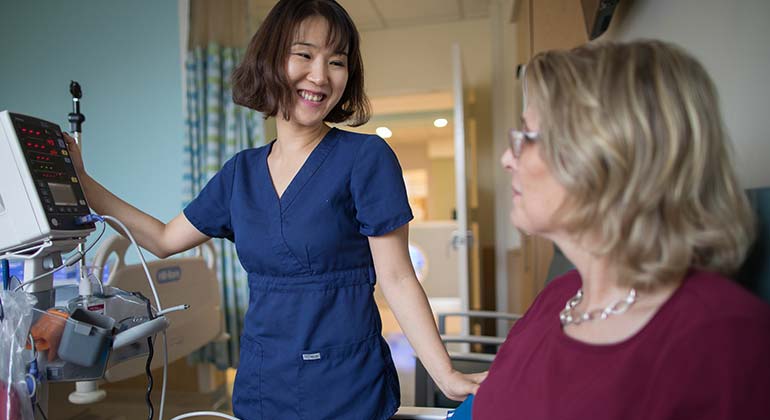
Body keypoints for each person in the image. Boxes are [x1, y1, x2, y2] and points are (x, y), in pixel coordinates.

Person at [64, 1, 485, 419]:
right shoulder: (240, 175)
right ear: (271, 59)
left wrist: (445, 375)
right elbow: (162, 239)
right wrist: (84, 184)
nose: (319, 76)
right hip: (264, 384)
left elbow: (396, 277)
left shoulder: (366, 158)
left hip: (346, 386)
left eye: (336, 62)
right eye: (303, 54)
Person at [473, 40, 770, 419]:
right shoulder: (557, 297)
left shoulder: (726, 338)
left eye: (527, 137)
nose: (505, 159)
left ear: (608, 157)